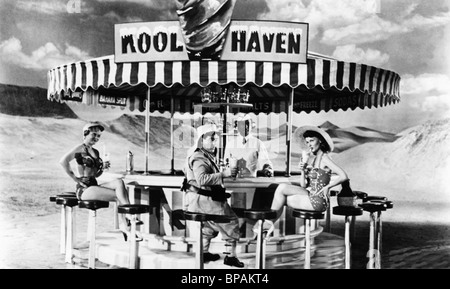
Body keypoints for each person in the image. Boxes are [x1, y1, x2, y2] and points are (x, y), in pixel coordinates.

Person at [254, 126, 349, 235]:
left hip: (318, 201)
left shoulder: (324, 158)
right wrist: (303, 170)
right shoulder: (314, 160)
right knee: (281, 195)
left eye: (312, 141)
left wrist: (327, 187)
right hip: (311, 195)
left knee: (281, 189)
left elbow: (343, 176)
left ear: (321, 140)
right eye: (307, 142)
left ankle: (266, 226)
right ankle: (267, 226)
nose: (309, 145)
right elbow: (303, 185)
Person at [59, 122, 138, 241]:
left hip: (93, 185)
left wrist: (103, 167)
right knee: (118, 196)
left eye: (98, 136)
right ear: (85, 133)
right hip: (84, 189)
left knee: (119, 182)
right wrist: (75, 179)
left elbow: (96, 174)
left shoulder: (95, 152)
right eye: (94, 135)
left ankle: (126, 222)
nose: (96, 138)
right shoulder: (80, 148)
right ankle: (128, 220)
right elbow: (63, 161)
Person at [182, 123, 244, 268]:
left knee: (209, 225)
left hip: (197, 200)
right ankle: (231, 257)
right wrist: (224, 174)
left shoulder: (203, 155)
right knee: (231, 220)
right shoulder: (199, 157)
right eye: (211, 138)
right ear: (201, 140)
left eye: (215, 138)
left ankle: (204, 252)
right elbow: (202, 179)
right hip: (202, 200)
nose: (215, 140)